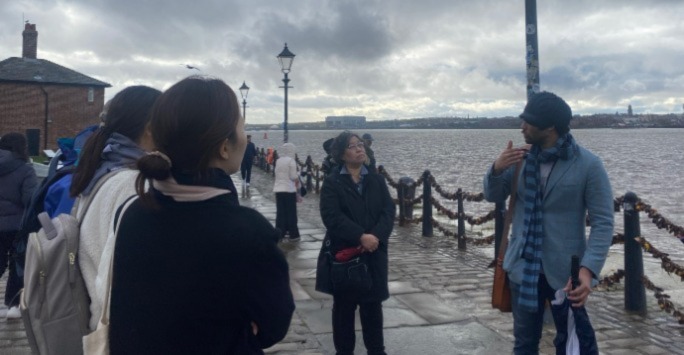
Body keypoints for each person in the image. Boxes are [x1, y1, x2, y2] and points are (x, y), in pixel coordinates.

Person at [109, 76, 294, 354]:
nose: (245, 136)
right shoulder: (246, 230)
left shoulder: (133, 211)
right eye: (242, 126)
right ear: (223, 146)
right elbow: (274, 323)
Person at [483, 92, 613, 354]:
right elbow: (493, 195)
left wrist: (588, 270)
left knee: (570, 344)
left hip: (566, 274)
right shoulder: (520, 159)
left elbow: (603, 223)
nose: (522, 126)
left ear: (550, 127)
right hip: (522, 266)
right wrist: (496, 169)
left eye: (528, 122)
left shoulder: (588, 165)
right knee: (524, 344)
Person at [70, 85, 161, 330]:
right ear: (151, 129)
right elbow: (123, 280)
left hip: (100, 325)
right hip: (117, 333)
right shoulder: (133, 184)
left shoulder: (102, 171)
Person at [315, 131, 395, 355]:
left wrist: (376, 237)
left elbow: (388, 211)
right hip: (347, 254)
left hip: (374, 253)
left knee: (373, 307)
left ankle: (377, 351)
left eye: (360, 144)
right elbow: (331, 216)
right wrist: (361, 236)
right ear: (341, 154)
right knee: (343, 310)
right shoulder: (332, 182)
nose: (360, 148)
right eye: (353, 146)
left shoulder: (376, 179)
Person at [0, 132, 37, 319]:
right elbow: (29, 199)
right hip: (16, 226)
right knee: (17, 263)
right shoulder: (26, 169)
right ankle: (13, 305)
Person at [273, 142, 301, 241]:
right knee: (291, 212)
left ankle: (281, 233)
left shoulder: (278, 160)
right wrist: (299, 174)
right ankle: (293, 234)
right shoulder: (291, 161)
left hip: (278, 189)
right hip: (289, 190)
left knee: (280, 212)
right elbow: (293, 177)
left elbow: (276, 173)